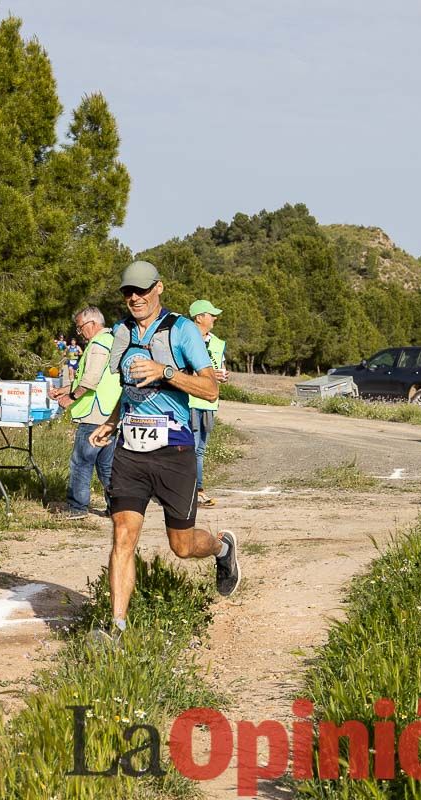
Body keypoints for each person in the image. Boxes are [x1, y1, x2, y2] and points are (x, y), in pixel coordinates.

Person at [89, 260, 240, 643]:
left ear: (159, 288)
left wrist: (166, 372)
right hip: (131, 450)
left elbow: (210, 390)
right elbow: (130, 388)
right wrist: (112, 419)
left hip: (174, 450)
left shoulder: (183, 331)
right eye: (128, 292)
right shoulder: (122, 331)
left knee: (182, 546)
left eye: (141, 290)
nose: (134, 298)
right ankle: (117, 630)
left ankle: (222, 548)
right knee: (123, 534)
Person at [49, 307, 121, 520]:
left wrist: (69, 399)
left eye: (80, 327)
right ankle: (117, 508)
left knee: (81, 461)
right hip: (109, 413)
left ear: (93, 323)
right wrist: (64, 389)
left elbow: (90, 381)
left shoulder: (98, 344)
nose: (79, 333)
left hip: (94, 413)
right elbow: (85, 377)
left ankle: (77, 508)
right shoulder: (111, 341)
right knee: (106, 465)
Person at [187, 299, 228, 507]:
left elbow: (220, 365)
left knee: (200, 449)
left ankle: (195, 489)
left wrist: (222, 375)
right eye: (211, 314)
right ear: (199, 317)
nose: (215, 318)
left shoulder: (218, 342)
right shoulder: (185, 339)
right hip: (190, 400)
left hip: (209, 402)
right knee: (192, 448)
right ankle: (195, 491)